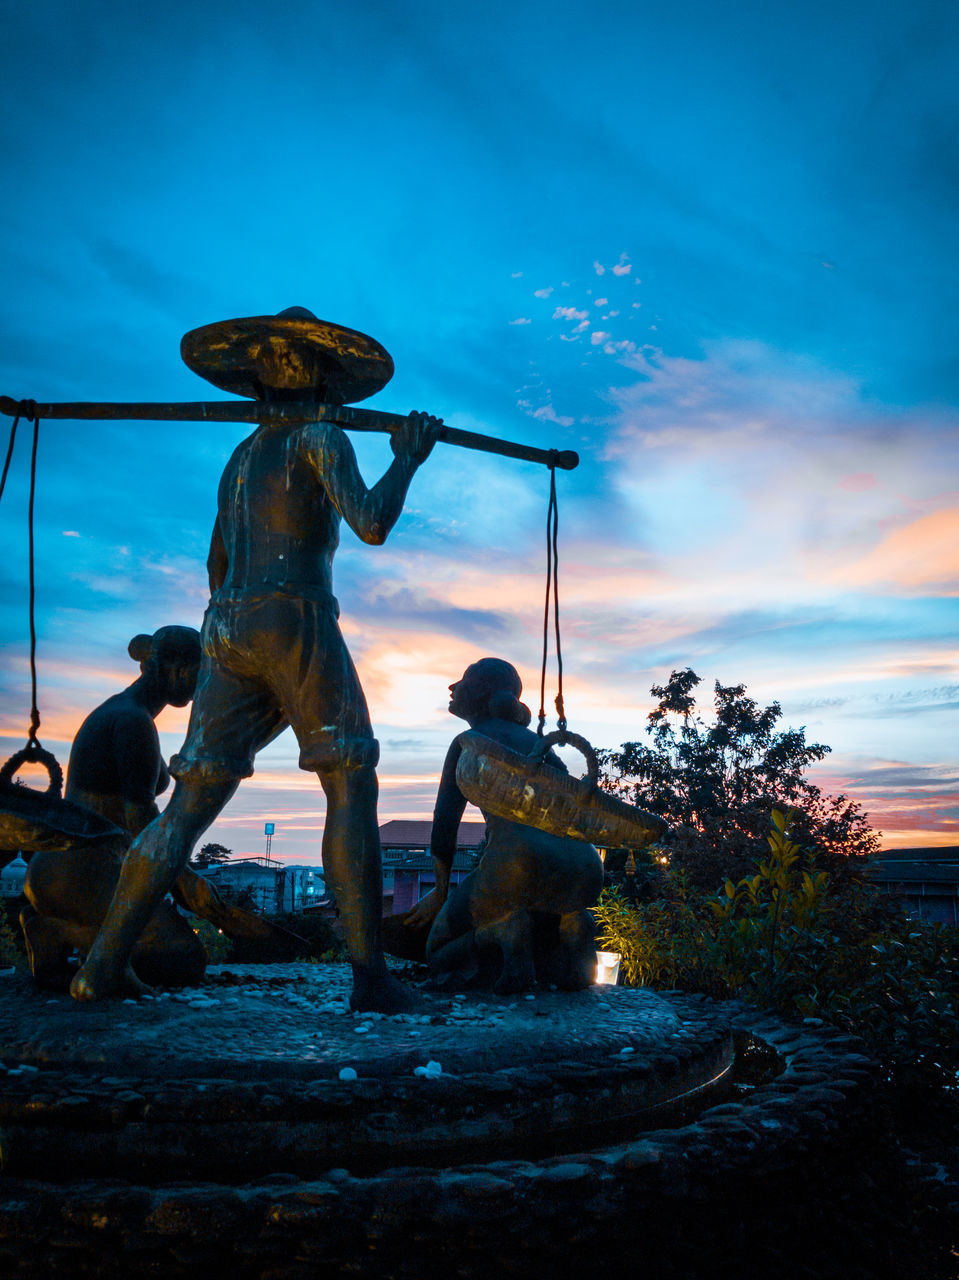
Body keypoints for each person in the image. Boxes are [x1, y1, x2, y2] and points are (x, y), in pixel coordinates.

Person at [70, 307, 441, 1011]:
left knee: (189, 802)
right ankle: (371, 979)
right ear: (318, 375)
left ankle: (101, 965)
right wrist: (406, 457)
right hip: (293, 613)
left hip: (226, 622)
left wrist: (240, 647)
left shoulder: (241, 458)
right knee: (349, 777)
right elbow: (371, 522)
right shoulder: (320, 436)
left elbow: (215, 562)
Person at [22, 627, 209, 989]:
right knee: (181, 958)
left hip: (85, 866)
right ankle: (56, 929)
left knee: (178, 956)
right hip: (80, 869)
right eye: (199, 674)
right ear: (174, 667)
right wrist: (182, 876)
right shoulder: (131, 721)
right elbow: (138, 816)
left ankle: (68, 934)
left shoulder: (128, 713)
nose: (201, 686)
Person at [407, 658, 605, 994]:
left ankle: (502, 931)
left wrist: (439, 892)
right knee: (544, 951)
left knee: (438, 951)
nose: (453, 688)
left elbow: (444, 825)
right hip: (584, 866)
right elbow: (575, 805)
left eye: (464, 680)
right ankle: (575, 926)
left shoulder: (469, 742)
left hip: (517, 864)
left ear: (482, 693)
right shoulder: (537, 745)